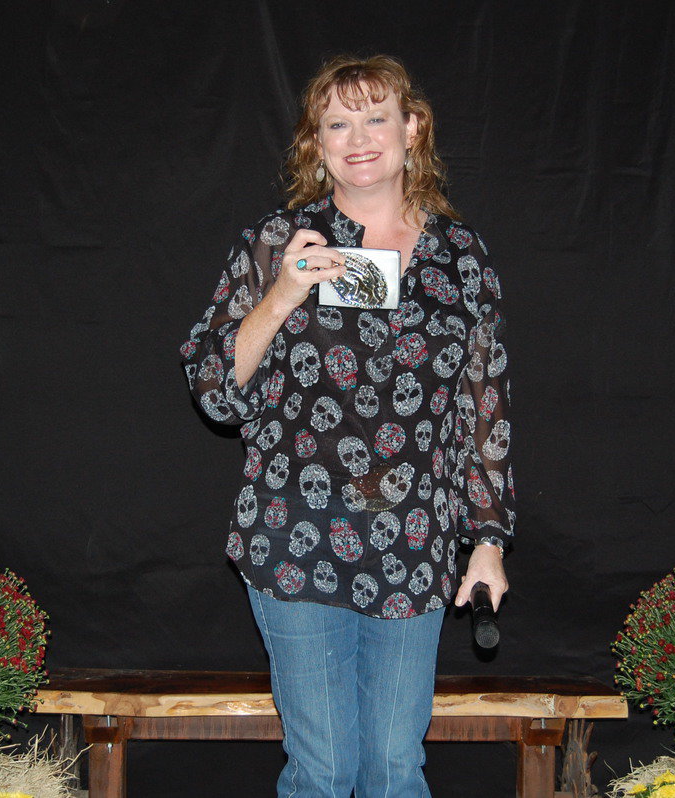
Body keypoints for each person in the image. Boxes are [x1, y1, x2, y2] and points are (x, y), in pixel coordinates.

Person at [180, 54, 514, 798]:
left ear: (411, 128)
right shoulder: (275, 243)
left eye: (375, 117)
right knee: (324, 769)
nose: (358, 137)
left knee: (396, 767)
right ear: (316, 142)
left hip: (415, 537)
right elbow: (214, 393)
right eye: (337, 122)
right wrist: (280, 297)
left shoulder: (461, 257)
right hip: (296, 528)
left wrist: (486, 542)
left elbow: (482, 404)